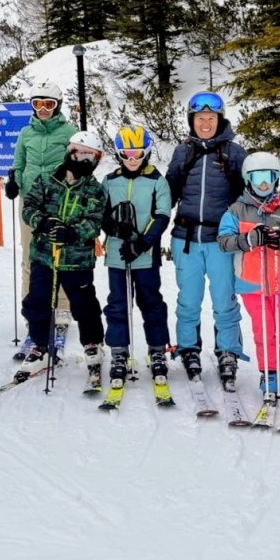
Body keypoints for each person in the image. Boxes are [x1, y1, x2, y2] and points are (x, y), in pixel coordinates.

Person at [165, 91, 247, 387]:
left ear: (219, 120)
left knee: (224, 300)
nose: (205, 123)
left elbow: (248, 195)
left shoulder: (234, 153)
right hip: (186, 238)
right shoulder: (182, 152)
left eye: (211, 118)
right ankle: (189, 348)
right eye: (200, 118)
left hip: (221, 241)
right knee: (188, 299)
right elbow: (167, 193)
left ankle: (228, 352)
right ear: (192, 120)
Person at [16, 130, 107, 385]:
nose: (82, 159)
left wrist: (73, 233)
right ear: (69, 151)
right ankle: (40, 346)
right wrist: (42, 222)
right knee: (38, 301)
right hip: (44, 256)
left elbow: (94, 221)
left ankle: (93, 344)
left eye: (90, 156)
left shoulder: (95, 189)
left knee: (84, 305)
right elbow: (29, 207)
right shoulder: (47, 179)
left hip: (77, 260)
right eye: (78, 152)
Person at [218, 152, 280, 400]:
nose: (263, 184)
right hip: (251, 284)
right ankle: (269, 372)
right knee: (263, 331)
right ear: (248, 179)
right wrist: (248, 239)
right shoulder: (236, 211)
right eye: (257, 178)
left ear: (276, 179)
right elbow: (224, 241)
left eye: (268, 177)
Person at [5, 81, 76, 359]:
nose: (43, 109)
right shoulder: (26, 133)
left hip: (59, 201)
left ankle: (61, 310)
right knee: (31, 257)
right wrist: (13, 181)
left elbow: (77, 164)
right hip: (31, 202)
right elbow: (18, 164)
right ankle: (32, 311)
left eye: (48, 104)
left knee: (59, 255)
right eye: (38, 104)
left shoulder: (69, 132)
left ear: (57, 106)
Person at [102, 125, 172, 391]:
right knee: (118, 303)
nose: (132, 160)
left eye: (138, 154)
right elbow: (101, 212)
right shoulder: (110, 180)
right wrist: (114, 228)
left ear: (147, 153)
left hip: (145, 255)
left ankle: (157, 350)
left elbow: (162, 215)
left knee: (151, 301)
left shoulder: (157, 181)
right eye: (126, 154)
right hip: (117, 255)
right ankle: (119, 351)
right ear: (119, 154)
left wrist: (142, 243)